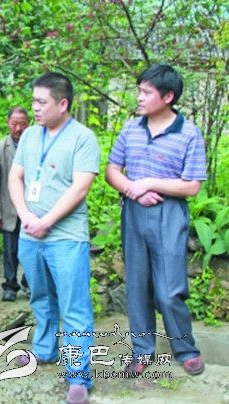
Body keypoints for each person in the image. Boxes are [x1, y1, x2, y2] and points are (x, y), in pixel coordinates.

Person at [105, 64, 206, 376]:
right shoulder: (131, 129)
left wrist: (149, 183)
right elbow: (112, 170)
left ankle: (185, 349)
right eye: (139, 91)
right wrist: (133, 190)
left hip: (169, 213)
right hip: (134, 213)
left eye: (146, 92)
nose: (139, 97)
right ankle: (142, 350)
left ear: (168, 96)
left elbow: (192, 185)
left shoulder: (188, 133)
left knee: (169, 288)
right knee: (137, 285)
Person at [9, 72, 99, 404]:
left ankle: (78, 375)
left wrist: (46, 221)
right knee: (40, 298)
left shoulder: (82, 138)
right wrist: (26, 216)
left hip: (66, 237)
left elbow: (81, 187)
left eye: (41, 102)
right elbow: (16, 177)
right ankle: (45, 349)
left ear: (62, 104)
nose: (34, 107)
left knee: (74, 306)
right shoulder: (30, 135)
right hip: (30, 234)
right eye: (33, 100)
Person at [0, 106, 30, 301]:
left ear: (28, 124)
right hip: (9, 208)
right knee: (10, 250)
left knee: (32, 249)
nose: (18, 128)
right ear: (8, 123)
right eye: (14, 124)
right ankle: (10, 285)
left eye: (22, 124)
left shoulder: (35, 146)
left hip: (32, 208)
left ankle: (29, 282)